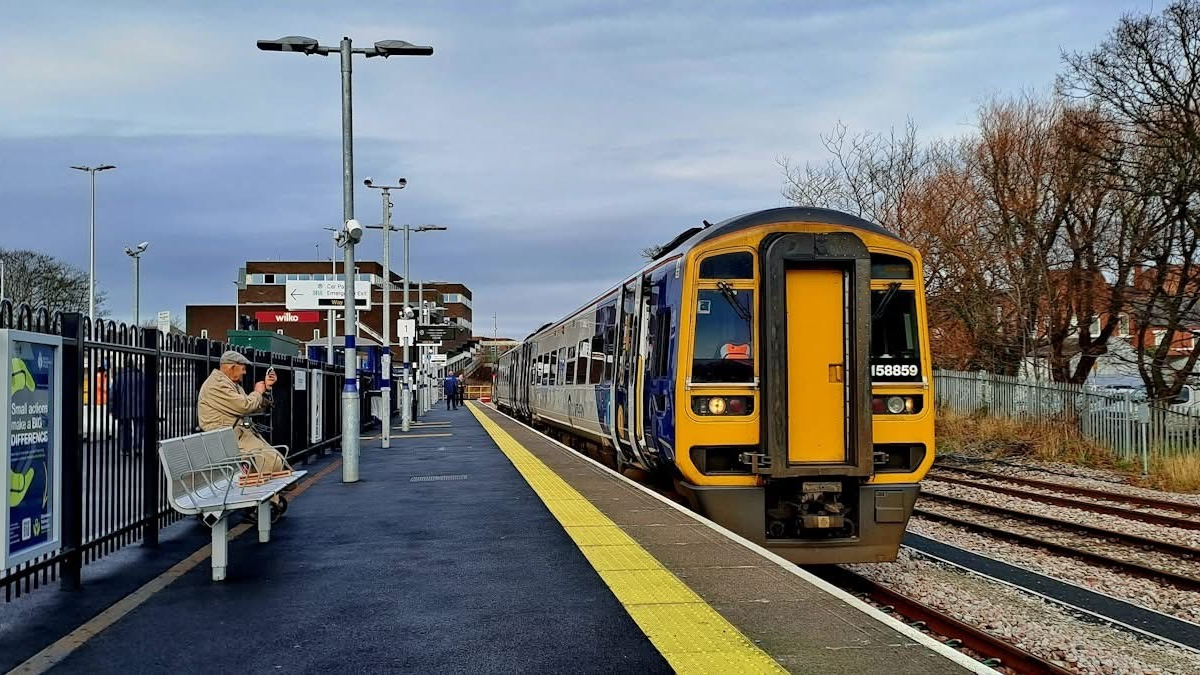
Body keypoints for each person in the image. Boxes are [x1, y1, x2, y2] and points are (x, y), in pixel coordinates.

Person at [197, 351, 287, 521]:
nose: (245, 372)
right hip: (224, 438)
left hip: (236, 435)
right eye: (243, 369)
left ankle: (268, 499)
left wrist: (265, 391)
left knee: (273, 458)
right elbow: (245, 406)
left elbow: (252, 406)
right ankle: (262, 503)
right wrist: (258, 392)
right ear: (232, 367)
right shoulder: (216, 385)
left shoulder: (229, 383)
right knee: (266, 459)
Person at [108, 356, 145, 457]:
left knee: (124, 428)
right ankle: (137, 447)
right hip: (140, 408)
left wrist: (111, 408)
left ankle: (125, 449)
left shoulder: (119, 377)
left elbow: (112, 394)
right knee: (139, 428)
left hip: (123, 407)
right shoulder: (142, 376)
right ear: (134, 365)